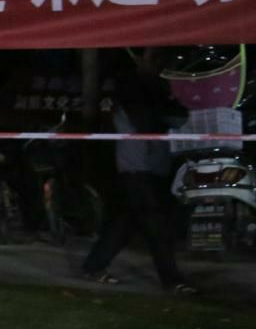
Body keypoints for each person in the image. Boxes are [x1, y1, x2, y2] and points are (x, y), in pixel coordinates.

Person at [81, 49, 197, 294]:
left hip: (150, 164)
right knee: (154, 220)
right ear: (140, 58)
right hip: (135, 164)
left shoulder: (154, 86)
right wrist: (170, 108)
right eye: (155, 58)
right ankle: (172, 280)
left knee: (128, 219)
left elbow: (176, 116)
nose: (160, 64)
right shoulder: (133, 84)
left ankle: (93, 266)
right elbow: (164, 117)